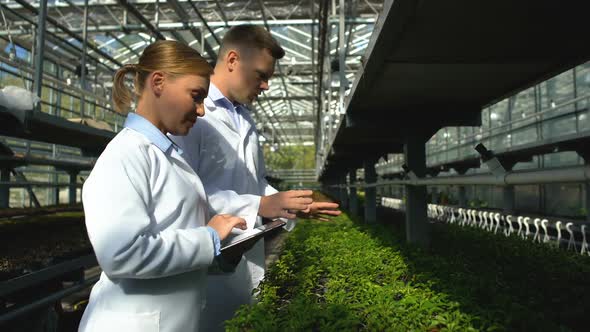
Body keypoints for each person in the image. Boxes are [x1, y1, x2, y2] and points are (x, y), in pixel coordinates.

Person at [170, 25, 341, 331]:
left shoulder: (243, 117)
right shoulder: (191, 112)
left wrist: (293, 205)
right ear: (232, 60)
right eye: (261, 75)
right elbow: (182, 190)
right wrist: (260, 204)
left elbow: (254, 182)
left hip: (240, 260)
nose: (265, 86)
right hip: (203, 266)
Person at [78, 40, 247, 332]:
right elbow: (122, 253)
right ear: (158, 82)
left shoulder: (164, 154)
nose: (201, 111)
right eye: (195, 96)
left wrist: (220, 254)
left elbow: (172, 236)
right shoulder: (125, 155)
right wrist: (209, 239)